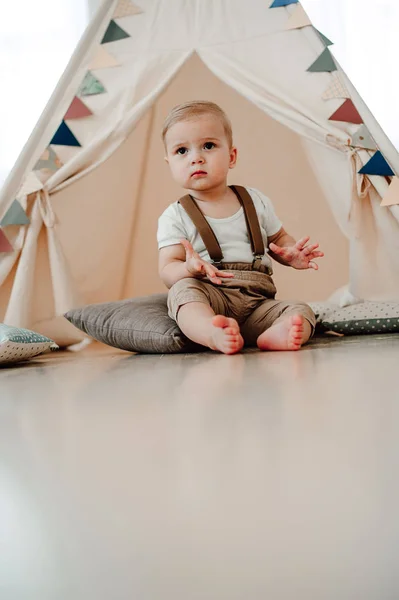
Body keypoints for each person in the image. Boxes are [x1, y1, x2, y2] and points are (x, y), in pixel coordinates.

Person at [157, 101, 323, 355]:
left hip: (258, 303)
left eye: (208, 146)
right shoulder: (174, 216)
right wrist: (189, 269)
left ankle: (275, 333)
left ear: (231, 156)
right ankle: (211, 332)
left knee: (301, 310)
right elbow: (168, 269)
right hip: (210, 294)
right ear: (169, 163)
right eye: (182, 151)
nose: (196, 158)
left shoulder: (255, 201)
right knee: (182, 293)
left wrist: (290, 254)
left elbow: (278, 238)